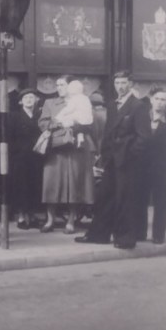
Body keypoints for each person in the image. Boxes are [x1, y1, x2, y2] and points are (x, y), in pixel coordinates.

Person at [76, 71, 148, 250]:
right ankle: (98, 235)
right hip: (111, 160)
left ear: (130, 84)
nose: (120, 86)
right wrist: (104, 155)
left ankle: (125, 238)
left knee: (125, 199)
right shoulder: (113, 105)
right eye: (117, 83)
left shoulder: (138, 106)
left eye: (124, 83)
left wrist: (129, 155)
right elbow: (108, 133)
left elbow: (143, 137)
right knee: (104, 197)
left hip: (128, 161)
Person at [38, 76, 94, 234]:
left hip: (76, 149)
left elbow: (89, 123)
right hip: (56, 149)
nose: (59, 87)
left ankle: (71, 221)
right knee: (51, 184)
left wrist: (78, 128)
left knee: (74, 183)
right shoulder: (50, 103)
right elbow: (42, 123)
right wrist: (61, 126)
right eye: (57, 85)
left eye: (62, 84)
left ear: (71, 86)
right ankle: (50, 220)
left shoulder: (81, 101)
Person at [136, 87, 166, 245]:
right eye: (157, 99)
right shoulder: (142, 118)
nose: (160, 102)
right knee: (140, 201)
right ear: (151, 100)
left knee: (161, 203)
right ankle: (140, 233)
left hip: (162, 170)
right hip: (142, 168)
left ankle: (158, 235)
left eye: (163, 100)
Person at [8, 88, 43, 230]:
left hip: (36, 155)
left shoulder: (39, 115)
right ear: (20, 101)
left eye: (31, 97)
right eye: (26, 97)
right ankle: (21, 216)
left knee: (34, 185)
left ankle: (32, 215)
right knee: (21, 186)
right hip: (20, 156)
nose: (29, 100)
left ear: (35, 100)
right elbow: (10, 137)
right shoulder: (14, 116)